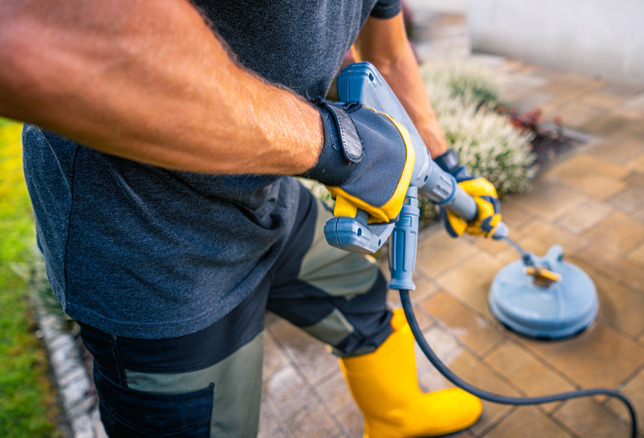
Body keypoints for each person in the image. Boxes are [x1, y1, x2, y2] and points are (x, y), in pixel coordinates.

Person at [0, 1, 502, 436]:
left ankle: (398, 415)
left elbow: (388, 56)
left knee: (358, 294)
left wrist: (450, 167)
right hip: (150, 242)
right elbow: (47, 36)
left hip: (267, 193)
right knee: (204, 421)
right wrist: (340, 149)